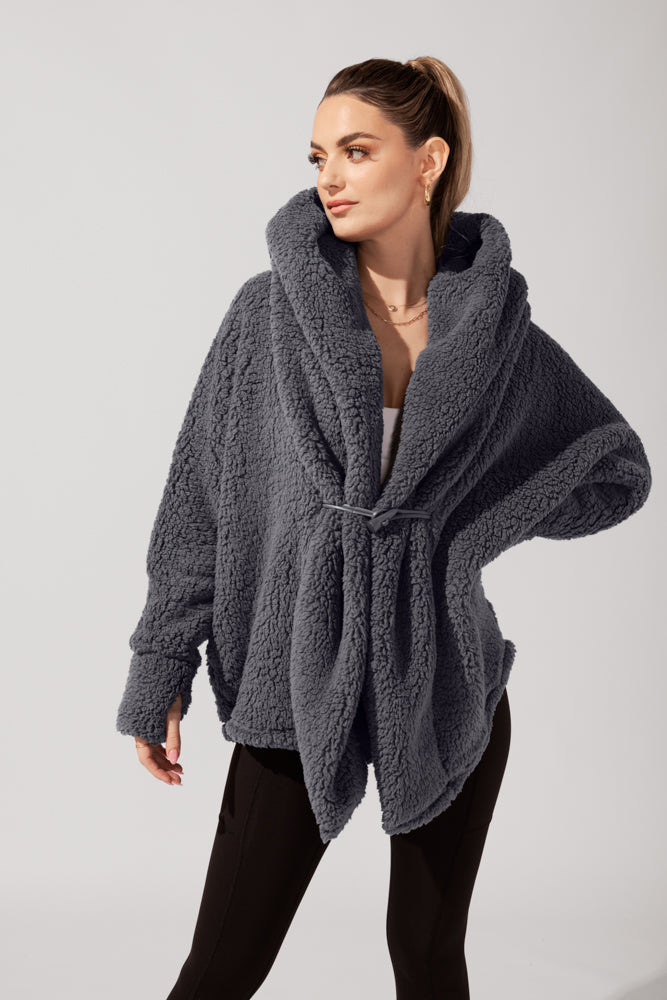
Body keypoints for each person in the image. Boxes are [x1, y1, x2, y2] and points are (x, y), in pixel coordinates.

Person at [117, 56, 651, 1000]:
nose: (329, 176)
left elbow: (613, 470)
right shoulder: (267, 318)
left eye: (356, 151)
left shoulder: (496, 341)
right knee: (220, 970)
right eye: (318, 155)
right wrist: (162, 664)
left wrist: (462, 534)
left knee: (428, 962)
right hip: (291, 669)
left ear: (427, 161)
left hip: (443, 675)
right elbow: (200, 502)